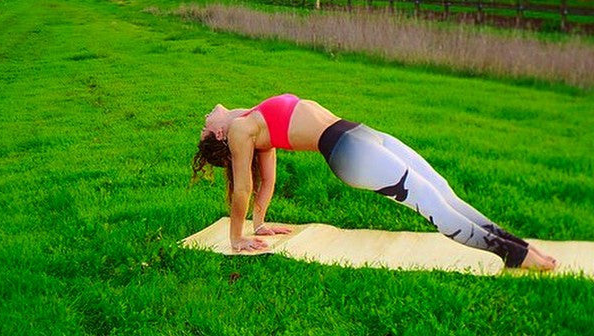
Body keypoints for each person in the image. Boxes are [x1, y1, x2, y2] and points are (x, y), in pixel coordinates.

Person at [192, 93, 557, 270]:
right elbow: (244, 186)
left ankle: (516, 245)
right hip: (348, 151)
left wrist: (260, 222)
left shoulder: (256, 125)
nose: (205, 118)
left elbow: (265, 182)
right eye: (206, 126)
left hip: (361, 134)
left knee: (442, 189)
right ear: (221, 135)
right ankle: (515, 255)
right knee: (433, 204)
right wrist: (237, 235)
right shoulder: (242, 130)